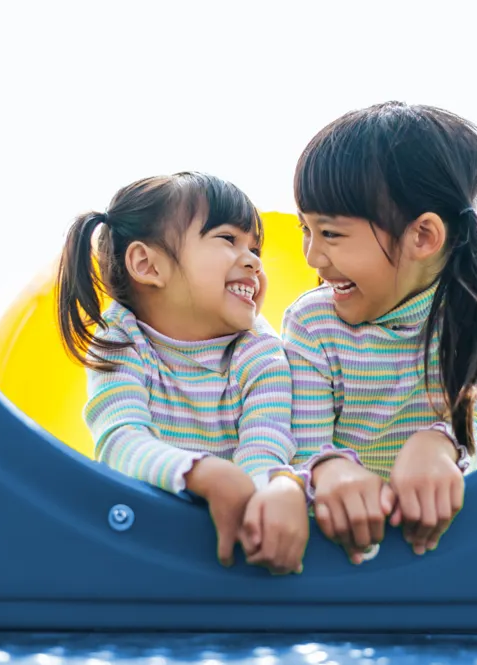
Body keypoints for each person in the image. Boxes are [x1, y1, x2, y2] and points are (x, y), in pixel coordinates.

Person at [283, 102, 477, 563]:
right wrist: (332, 472)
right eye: (306, 230)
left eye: (331, 234)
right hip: (345, 548)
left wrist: (437, 444)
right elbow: (304, 444)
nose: (313, 257)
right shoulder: (313, 323)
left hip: (450, 545)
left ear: (423, 237)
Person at [56, 172, 308, 574]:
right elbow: (119, 443)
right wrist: (202, 473)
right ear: (147, 264)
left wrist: (262, 500)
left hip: (229, 550)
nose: (254, 260)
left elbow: (266, 446)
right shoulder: (121, 342)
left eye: (255, 247)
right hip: (141, 546)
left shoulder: (260, 351)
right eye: (228, 239)